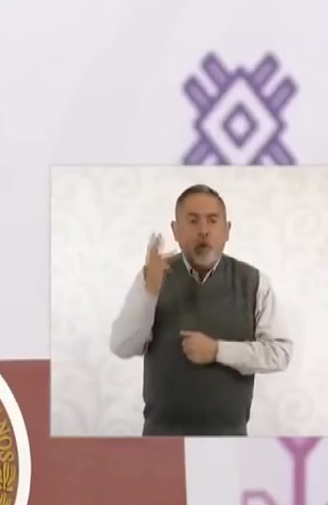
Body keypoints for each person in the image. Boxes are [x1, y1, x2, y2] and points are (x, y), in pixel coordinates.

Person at [108, 184, 292, 436]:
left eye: (213, 221)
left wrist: (218, 351)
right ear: (175, 230)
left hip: (230, 438)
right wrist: (150, 292)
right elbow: (122, 346)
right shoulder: (152, 276)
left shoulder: (254, 282)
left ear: (227, 230)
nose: (203, 230)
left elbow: (280, 353)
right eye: (193, 221)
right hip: (160, 439)